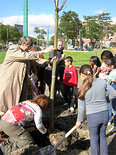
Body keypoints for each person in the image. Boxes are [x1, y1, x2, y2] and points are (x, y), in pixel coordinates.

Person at [0, 36, 54, 114]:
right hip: (9, 81)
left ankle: (16, 118)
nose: (29, 48)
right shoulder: (13, 49)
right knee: (7, 101)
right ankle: (5, 119)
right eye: (28, 46)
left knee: (18, 101)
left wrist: (48, 62)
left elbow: (35, 61)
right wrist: (42, 52)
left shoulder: (25, 53)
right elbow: (26, 56)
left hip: (19, 83)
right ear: (22, 44)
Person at [75, 64, 116, 155]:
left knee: (93, 140)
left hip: (93, 117)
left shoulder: (82, 89)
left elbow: (81, 109)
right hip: (104, 115)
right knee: (102, 137)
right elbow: (114, 94)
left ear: (81, 75)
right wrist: (105, 100)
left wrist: (79, 120)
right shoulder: (102, 82)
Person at [105, 57, 116, 132]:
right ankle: (109, 120)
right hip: (110, 93)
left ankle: (115, 125)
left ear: (111, 66)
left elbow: (109, 82)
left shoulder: (114, 73)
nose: (106, 67)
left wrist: (114, 80)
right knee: (109, 107)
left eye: (107, 66)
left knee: (114, 109)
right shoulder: (111, 72)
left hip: (114, 93)